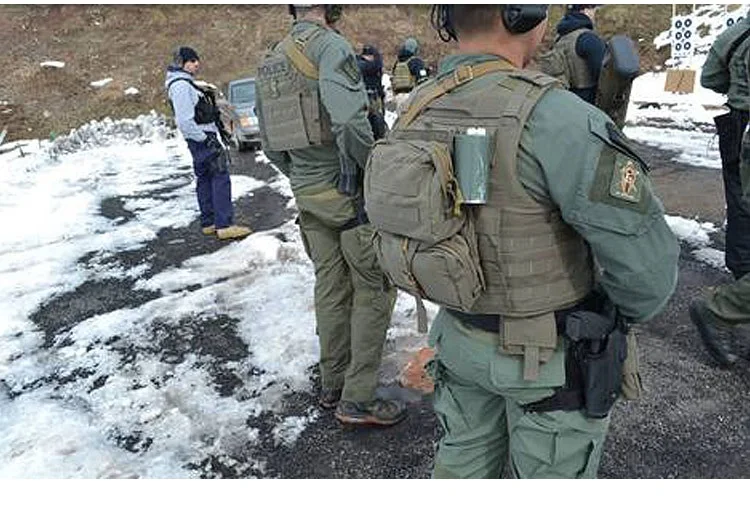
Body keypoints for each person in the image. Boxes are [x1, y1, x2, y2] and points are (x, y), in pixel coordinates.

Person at [372, 4, 678, 478]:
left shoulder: (416, 109)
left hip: (459, 340)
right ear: (523, 15)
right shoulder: (556, 116)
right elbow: (648, 273)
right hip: (546, 364)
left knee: (462, 465)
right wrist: (612, 313)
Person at [254, 4, 405, 426]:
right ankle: (357, 398)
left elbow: (268, 143)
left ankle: (333, 382)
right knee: (374, 288)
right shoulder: (330, 48)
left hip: (307, 192)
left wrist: (302, 176)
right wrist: (372, 169)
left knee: (331, 286)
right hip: (347, 193)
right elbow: (349, 123)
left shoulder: (271, 59)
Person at [691, 17, 750, 367]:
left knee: (742, 213)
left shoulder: (737, 31)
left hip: (738, 124)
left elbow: (711, 78)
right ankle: (723, 308)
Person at [165, 47, 251, 241]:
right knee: (220, 177)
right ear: (182, 63)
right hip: (203, 137)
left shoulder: (183, 83)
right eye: (192, 60)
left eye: (197, 60)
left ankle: (209, 222)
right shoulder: (181, 85)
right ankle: (225, 225)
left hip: (199, 138)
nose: (197, 64)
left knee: (205, 178)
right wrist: (204, 139)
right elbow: (185, 121)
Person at [550, 4, 606, 104]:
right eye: (593, 9)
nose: (594, 14)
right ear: (584, 10)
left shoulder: (560, 37)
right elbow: (604, 76)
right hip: (587, 105)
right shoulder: (588, 38)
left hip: (563, 101)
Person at [357, 44, 388, 140]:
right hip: (368, 99)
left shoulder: (360, 64)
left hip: (369, 97)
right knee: (376, 120)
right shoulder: (367, 65)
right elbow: (375, 66)